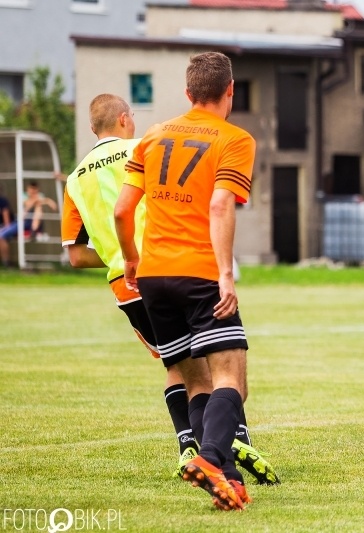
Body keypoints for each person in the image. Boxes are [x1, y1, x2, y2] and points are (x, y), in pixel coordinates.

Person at [62, 93, 277, 489]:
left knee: (178, 368)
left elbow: (76, 255)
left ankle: (192, 449)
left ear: (93, 129)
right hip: (176, 261)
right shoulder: (146, 144)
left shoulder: (75, 178)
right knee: (223, 368)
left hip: (130, 282)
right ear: (126, 119)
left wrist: (119, 256)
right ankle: (227, 445)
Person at [116, 51, 261, 511]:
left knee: (196, 381)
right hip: (198, 272)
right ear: (230, 90)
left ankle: (227, 479)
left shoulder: (153, 135)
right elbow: (220, 207)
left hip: (153, 274)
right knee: (231, 380)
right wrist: (224, 274)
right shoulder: (234, 139)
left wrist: (132, 259)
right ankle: (213, 458)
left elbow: (122, 210)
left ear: (187, 92)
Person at [0, 181, 57, 267]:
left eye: (35, 191)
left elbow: (51, 207)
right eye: (31, 190)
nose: (33, 193)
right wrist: (47, 201)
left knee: (38, 208)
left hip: (33, 223)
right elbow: (27, 206)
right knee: (2, 235)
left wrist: (43, 200)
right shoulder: (25, 196)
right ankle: (6, 261)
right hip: (23, 221)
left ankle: (34, 231)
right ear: (28, 189)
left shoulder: (39, 197)